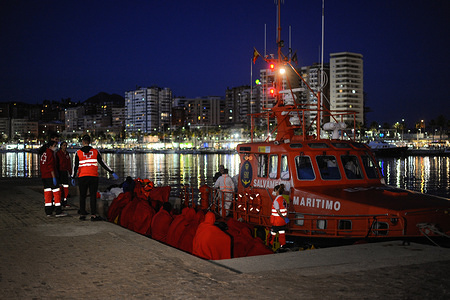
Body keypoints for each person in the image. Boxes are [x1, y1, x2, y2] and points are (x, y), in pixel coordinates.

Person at [72, 134, 119, 221]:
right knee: (93, 195)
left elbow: (75, 166)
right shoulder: (95, 152)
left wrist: (72, 177)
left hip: (82, 177)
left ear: (83, 142)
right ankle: (93, 215)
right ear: (90, 142)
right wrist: (111, 172)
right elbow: (103, 164)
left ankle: (82, 214)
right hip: (93, 177)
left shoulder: (78, 153)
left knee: (82, 195)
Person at [39, 140, 67, 217]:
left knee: (47, 193)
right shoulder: (50, 153)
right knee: (57, 192)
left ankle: (48, 212)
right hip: (50, 176)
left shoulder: (44, 153)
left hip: (44, 177)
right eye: (55, 146)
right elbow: (51, 166)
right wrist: (54, 177)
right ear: (51, 146)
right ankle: (58, 211)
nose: (56, 147)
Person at [56, 141, 72, 207]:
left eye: (66, 145)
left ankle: (65, 201)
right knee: (60, 187)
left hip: (65, 172)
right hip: (59, 172)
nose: (65, 147)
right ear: (61, 146)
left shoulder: (67, 154)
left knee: (66, 187)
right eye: (64, 145)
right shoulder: (58, 153)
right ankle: (59, 201)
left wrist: (71, 173)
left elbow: (69, 164)